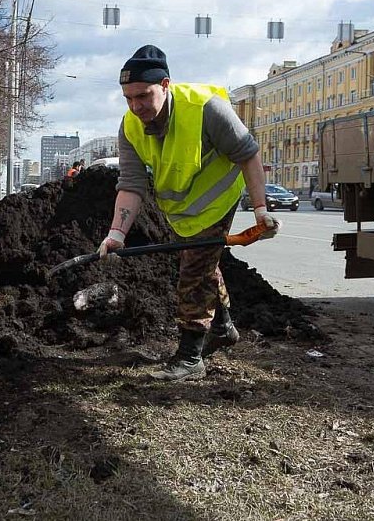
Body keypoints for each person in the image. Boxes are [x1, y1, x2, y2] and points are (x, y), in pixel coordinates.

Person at [97, 44, 281, 382]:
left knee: (193, 272)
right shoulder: (130, 127)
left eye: (144, 96)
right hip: (181, 213)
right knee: (204, 264)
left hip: (217, 202)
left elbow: (248, 154)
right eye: (128, 98)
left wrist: (259, 210)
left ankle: (190, 356)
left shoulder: (206, 108)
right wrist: (116, 234)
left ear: (165, 85)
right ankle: (223, 328)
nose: (136, 106)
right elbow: (131, 184)